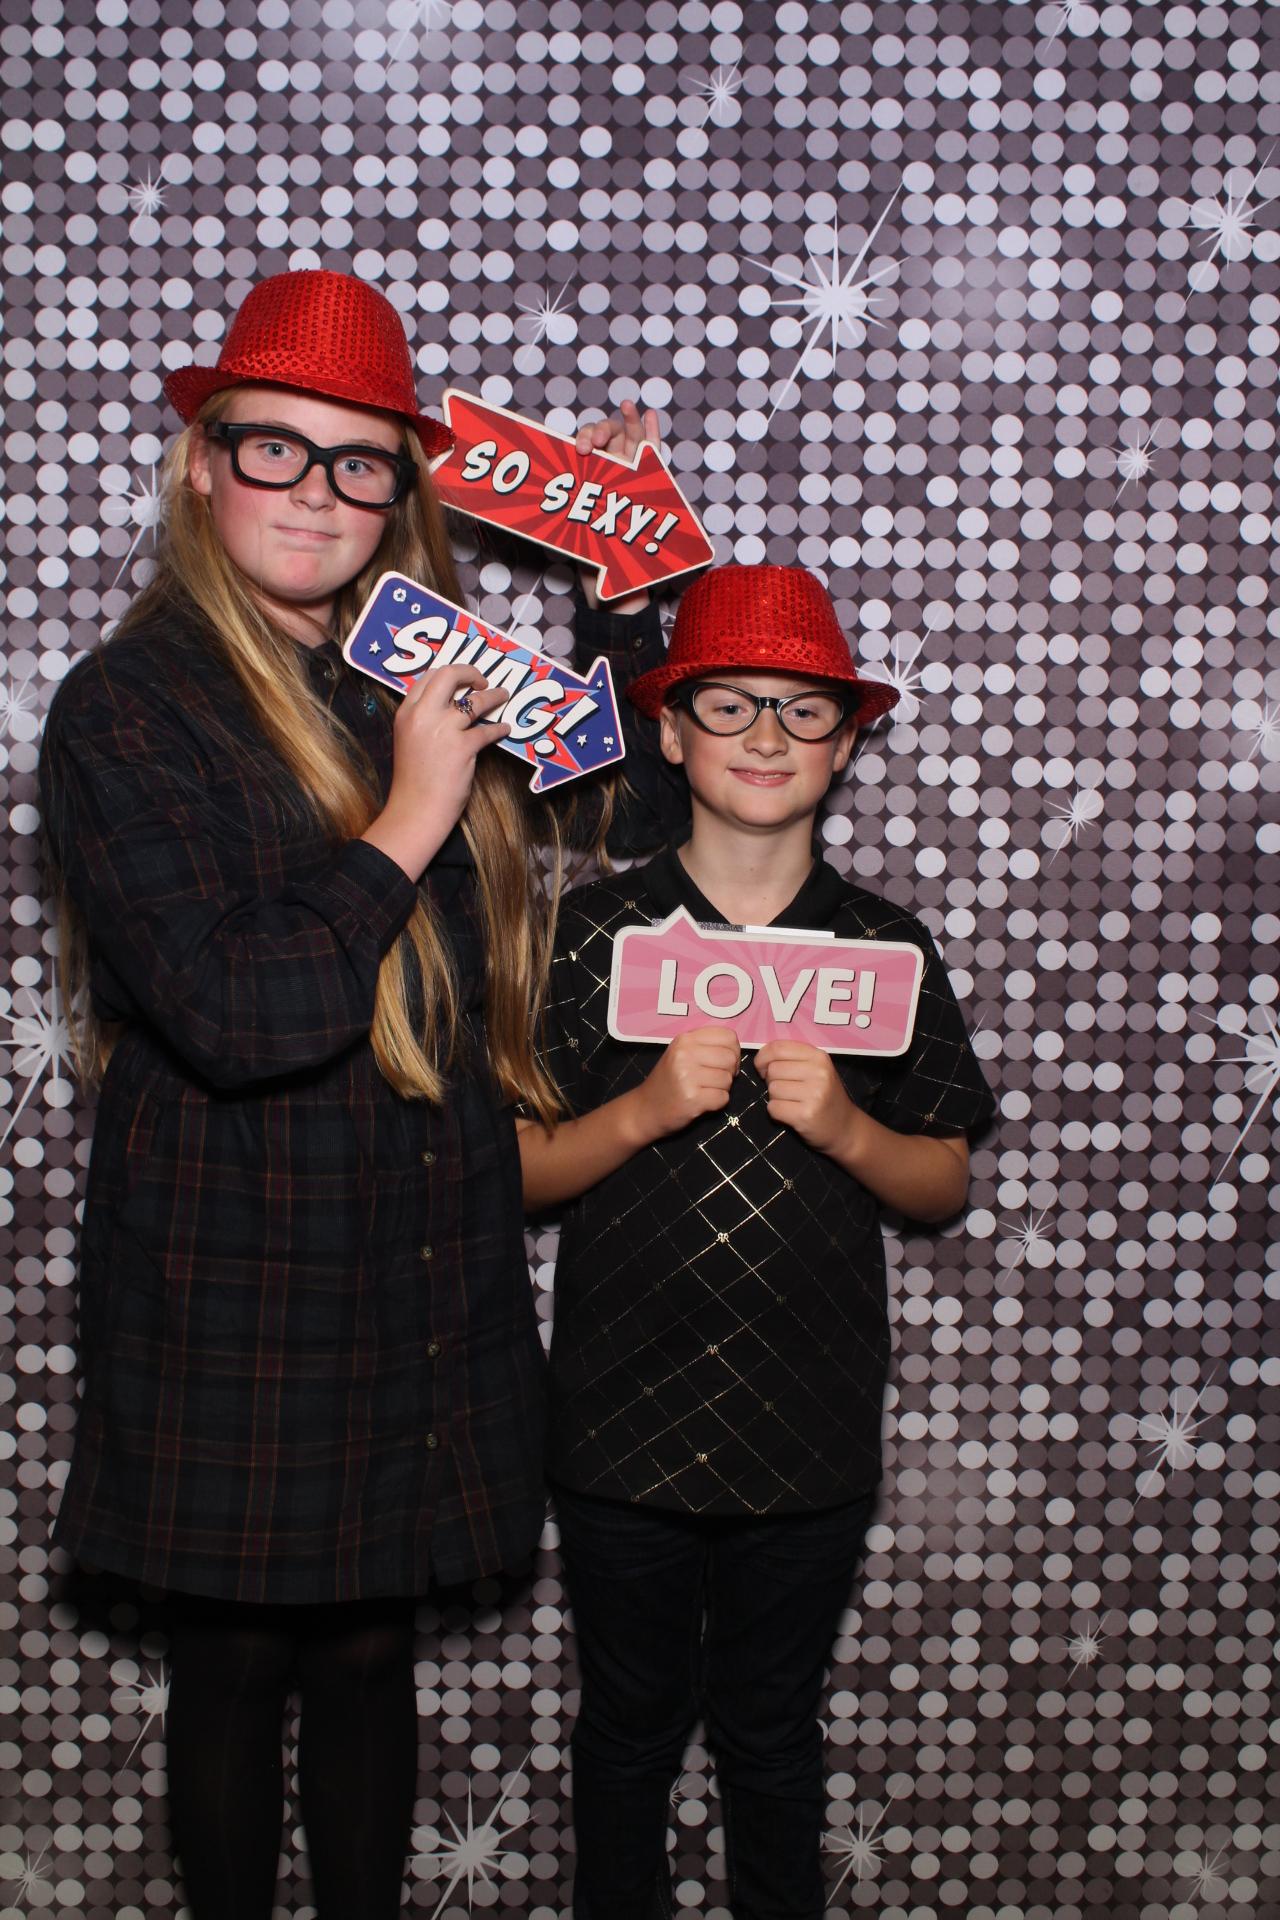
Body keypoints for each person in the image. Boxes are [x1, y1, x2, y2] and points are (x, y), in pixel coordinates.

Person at [37, 267, 675, 1920]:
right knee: (240, 1657)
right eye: (273, 450)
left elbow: (623, 815)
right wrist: (410, 809)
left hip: (411, 1249)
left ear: (401, 487)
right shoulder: (128, 707)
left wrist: (619, 597)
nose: (315, 492)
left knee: (375, 1645)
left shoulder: (417, 663)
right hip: (235, 1265)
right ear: (200, 463)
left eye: (357, 461)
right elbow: (245, 1011)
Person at [517, 564, 996, 1920]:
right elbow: (515, 1166)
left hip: (809, 1426)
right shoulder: (591, 930)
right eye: (732, 707)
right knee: (625, 1738)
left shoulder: (883, 947)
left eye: (802, 711)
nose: (769, 737)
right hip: (618, 1421)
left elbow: (943, 1184)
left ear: (846, 742)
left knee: (773, 1744)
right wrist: (646, 1111)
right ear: (671, 732)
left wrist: (846, 1126)